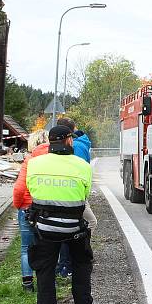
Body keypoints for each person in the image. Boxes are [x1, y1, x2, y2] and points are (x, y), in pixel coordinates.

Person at [26, 125, 96, 304]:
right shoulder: (82, 166)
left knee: (45, 269)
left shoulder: (35, 163)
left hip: (44, 227)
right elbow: (84, 196)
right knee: (82, 262)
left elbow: (32, 190)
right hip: (74, 229)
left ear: (50, 142)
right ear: (69, 141)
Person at [54, 118, 96, 278]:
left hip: (71, 193)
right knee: (76, 226)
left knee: (73, 229)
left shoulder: (75, 147)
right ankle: (74, 257)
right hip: (76, 192)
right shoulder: (80, 143)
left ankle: (72, 260)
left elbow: (74, 172)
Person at [12, 130, 50, 292]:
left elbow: (19, 189)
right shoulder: (54, 160)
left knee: (26, 247)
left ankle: (27, 283)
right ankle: (46, 279)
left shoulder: (30, 160)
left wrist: (19, 205)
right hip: (48, 209)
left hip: (28, 209)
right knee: (47, 246)